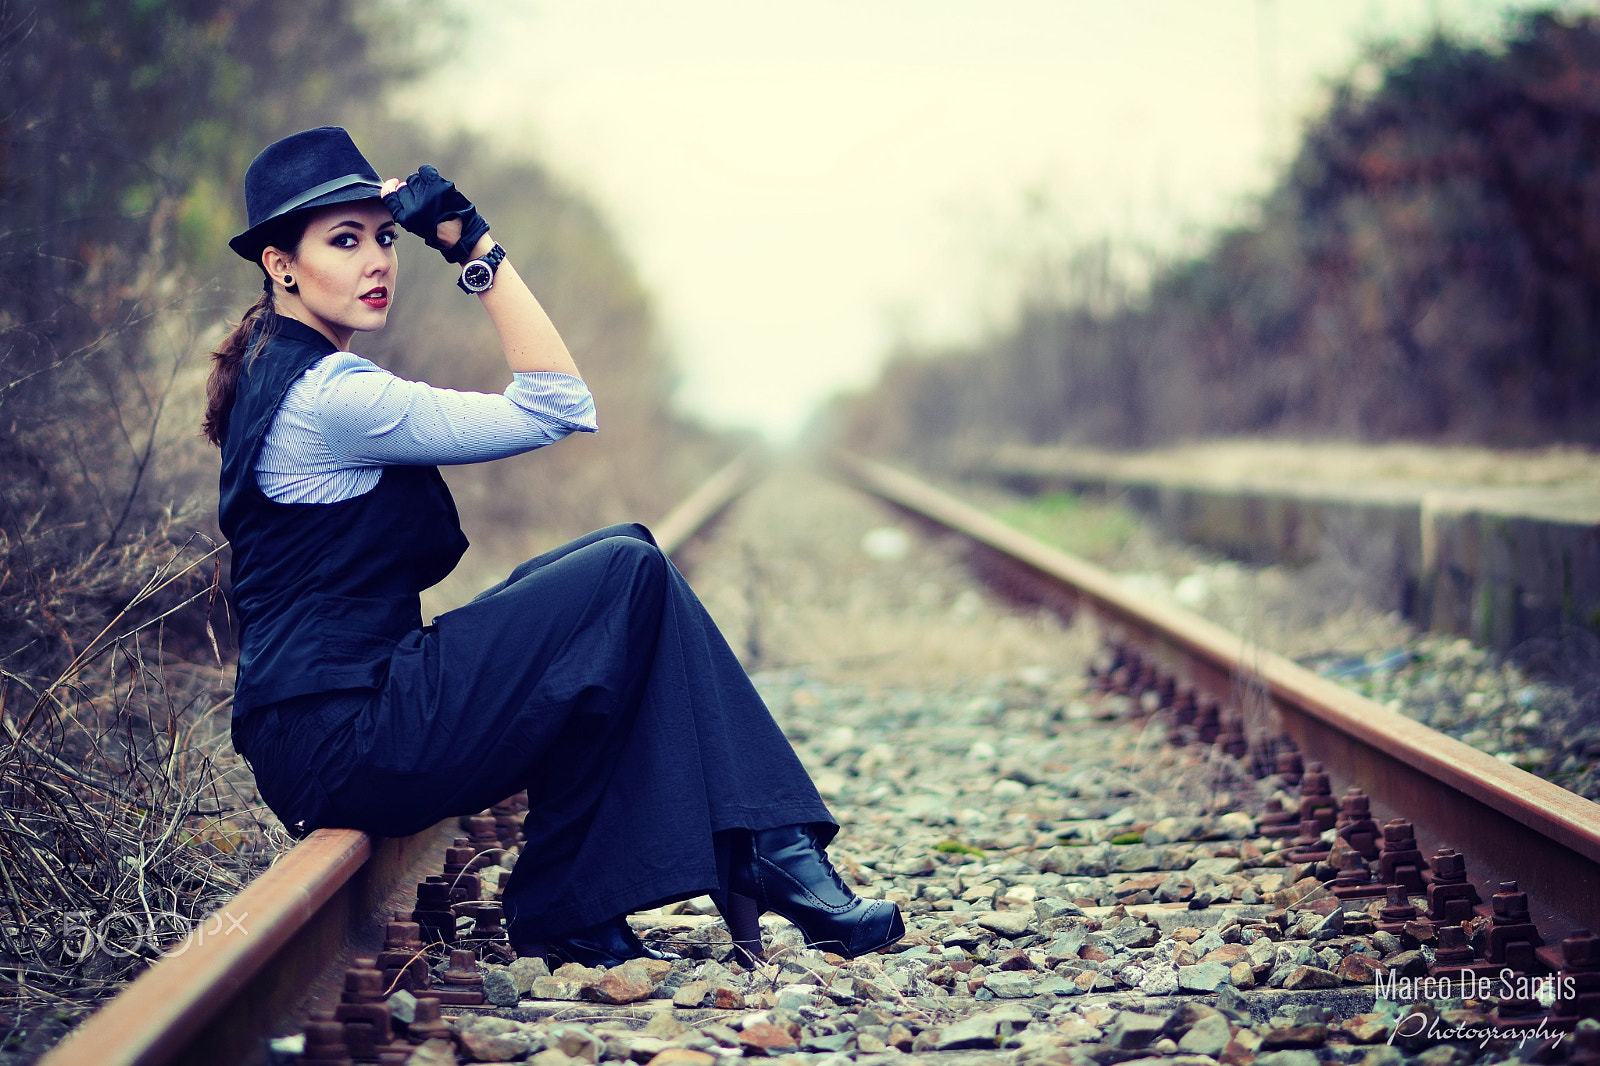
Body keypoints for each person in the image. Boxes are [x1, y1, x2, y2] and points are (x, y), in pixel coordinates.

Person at [206, 127, 903, 966]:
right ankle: (762, 853)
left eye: (385, 237)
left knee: (621, 565)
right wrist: (478, 251)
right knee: (625, 572)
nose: (378, 261)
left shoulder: (274, 368)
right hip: (347, 737)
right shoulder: (333, 396)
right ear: (282, 264)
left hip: (327, 726)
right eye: (344, 241)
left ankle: (649, 882)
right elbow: (556, 403)